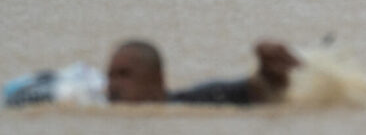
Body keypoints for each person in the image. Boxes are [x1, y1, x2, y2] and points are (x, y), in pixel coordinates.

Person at [107, 40, 300, 105]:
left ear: (157, 78)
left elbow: (259, 89)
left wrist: (270, 69)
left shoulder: (200, 99)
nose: (113, 84)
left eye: (124, 74)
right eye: (110, 75)